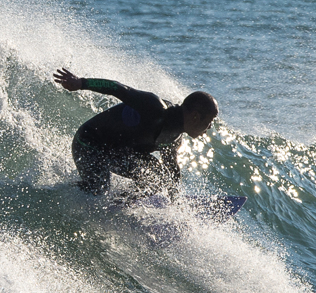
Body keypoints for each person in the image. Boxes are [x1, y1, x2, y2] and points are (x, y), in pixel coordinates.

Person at [53, 68, 219, 198]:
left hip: (116, 151)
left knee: (158, 177)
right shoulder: (155, 108)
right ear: (196, 116)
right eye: (209, 121)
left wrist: (176, 203)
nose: (210, 126)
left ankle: (119, 203)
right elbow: (118, 89)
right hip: (89, 142)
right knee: (98, 189)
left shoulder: (174, 138)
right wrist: (81, 83)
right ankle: (58, 191)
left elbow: (172, 172)